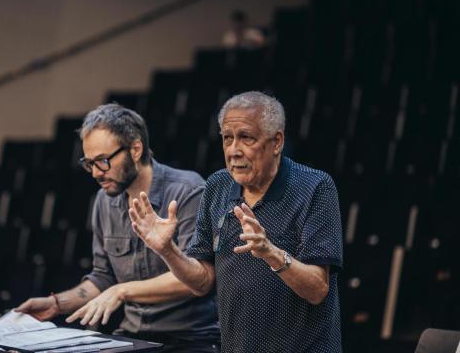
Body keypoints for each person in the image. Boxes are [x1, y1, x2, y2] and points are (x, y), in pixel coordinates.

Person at [129, 92, 343, 352]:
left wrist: (271, 253)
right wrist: (168, 251)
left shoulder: (315, 187)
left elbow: (318, 289)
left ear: (277, 142)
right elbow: (203, 282)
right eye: (227, 138)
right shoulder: (217, 186)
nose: (233, 150)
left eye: (246, 138)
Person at [16, 104, 220, 352]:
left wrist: (122, 291)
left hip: (189, 339)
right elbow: (103, 277)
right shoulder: (105, 200)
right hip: (133, 335)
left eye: (102, 161)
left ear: (135, 149)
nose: (95, 174)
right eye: (88, 163)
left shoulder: (188, 191)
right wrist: (57, 304)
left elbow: (197, 279)